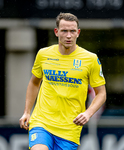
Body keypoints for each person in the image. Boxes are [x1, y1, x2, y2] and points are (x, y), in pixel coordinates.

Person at [19, 12, 106, 150]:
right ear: (56, 32)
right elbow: (34, 83)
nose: (69, 35)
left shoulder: (90, 59)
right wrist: (27, 112)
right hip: (42, 122)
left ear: (78, 33)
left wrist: (88, 113)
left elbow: (101, 93)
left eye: (72, 31)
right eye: (64, 31)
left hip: (69, 129)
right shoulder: (43, 54)